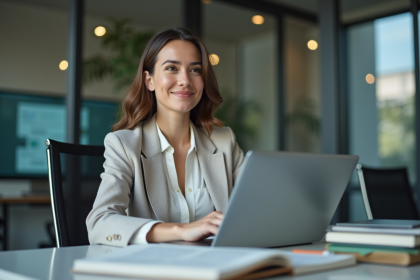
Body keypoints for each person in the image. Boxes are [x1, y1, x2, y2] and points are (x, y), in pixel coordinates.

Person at [86, 28, 244, 247]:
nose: (185, 80)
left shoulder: (224, 141)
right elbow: (99, 225)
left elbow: (256, 208)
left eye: (195, 70)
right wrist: (183, 230)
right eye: (172, 68)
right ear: (149, 80)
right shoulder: (124, 145)